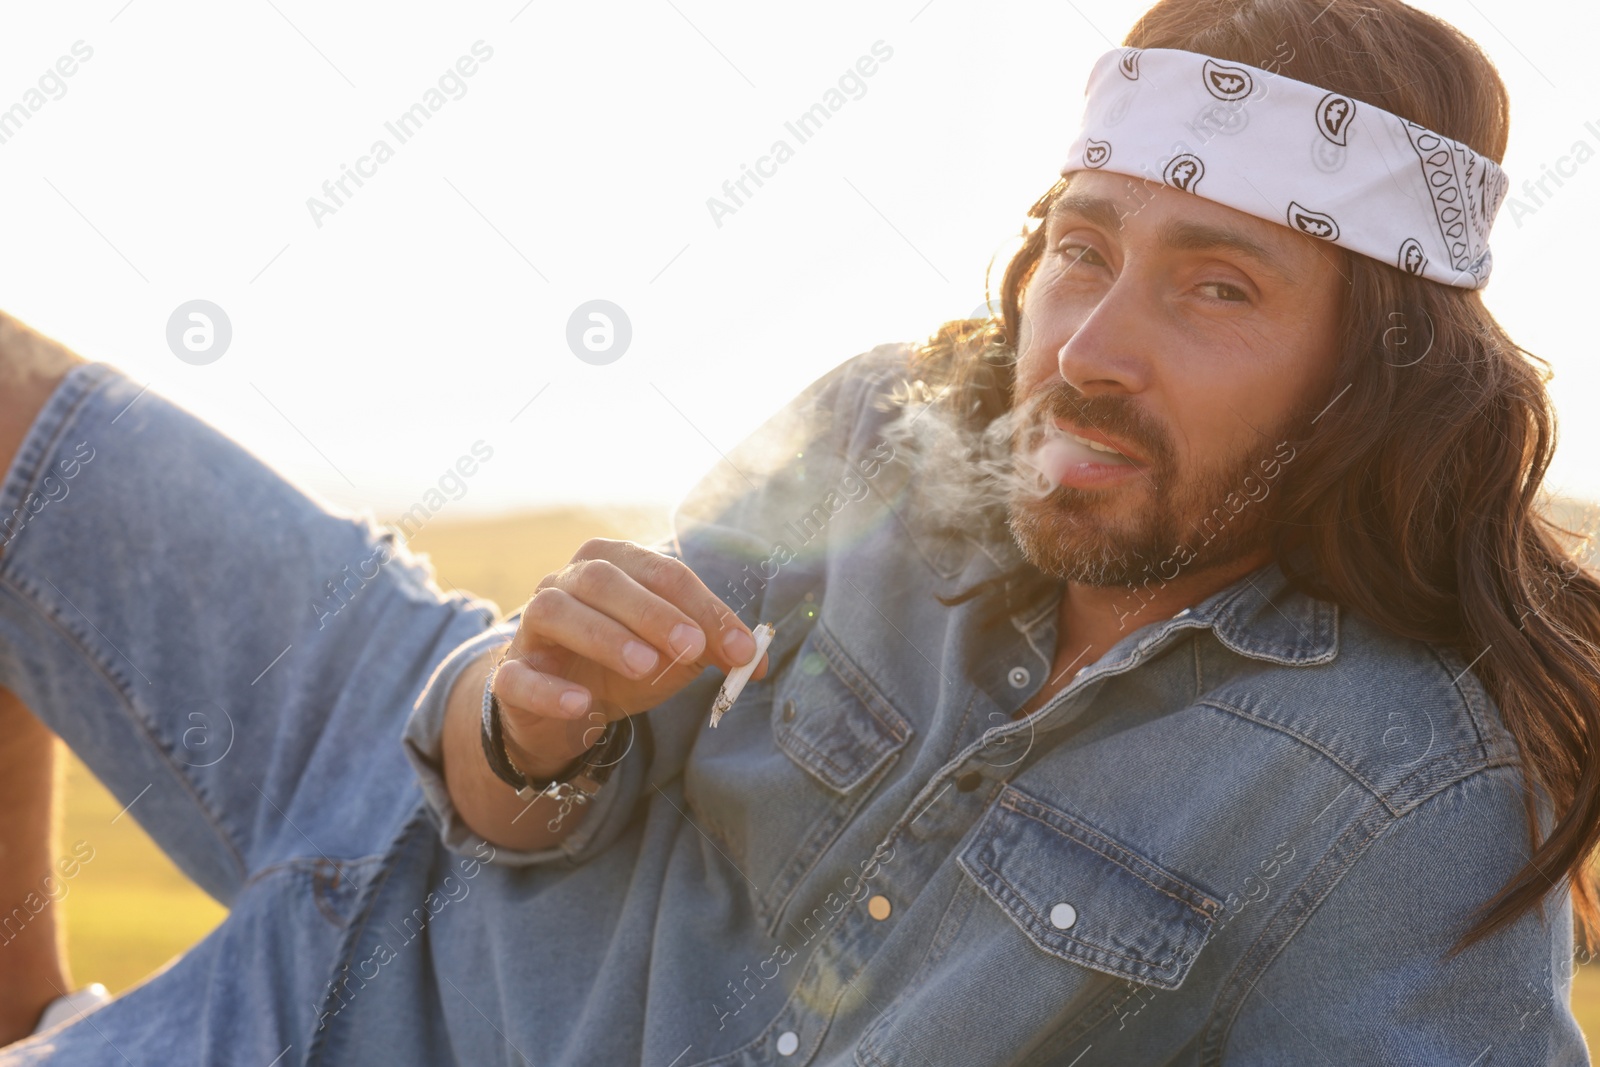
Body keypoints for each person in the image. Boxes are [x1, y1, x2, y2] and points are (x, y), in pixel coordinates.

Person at [2, 0, 1597, 1061]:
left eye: (1218, 287)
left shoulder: (1408, 793)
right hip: (394, 751)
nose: (1095, 346)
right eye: (1086, 249)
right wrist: (533, 719)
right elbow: (519, 795)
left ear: (1369, 373)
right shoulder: (880, 429)